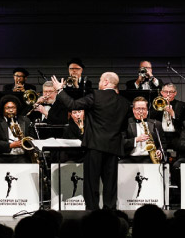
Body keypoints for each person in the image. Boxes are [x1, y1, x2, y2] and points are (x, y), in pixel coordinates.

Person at [51, 72, 130, 210]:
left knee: (91, 183)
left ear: (105, 82)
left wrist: (60, 90)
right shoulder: (124, 103)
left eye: (100, 80)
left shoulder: (96, 96)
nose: (98, 83)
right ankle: (109, 213)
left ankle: (93, 214)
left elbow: (73, 104)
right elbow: (123, 127)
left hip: (94, 147)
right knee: (110, 185)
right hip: (113, 148)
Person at [0, 95, 36, 164]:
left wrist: (25, 143)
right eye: (8, 108)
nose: (11, 110)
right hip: (0, 156)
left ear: (17, 108)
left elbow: (32, 138)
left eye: (13, 107)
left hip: (21, 156)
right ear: (2, 109)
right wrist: (11, 145)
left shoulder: (25, 120)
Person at [149, 83, 185, 156]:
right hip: (161, 135)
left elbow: (183, 123)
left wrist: (172, 113)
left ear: (175, 93)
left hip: (176, 135)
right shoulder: (156, 103)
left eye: (171, 92)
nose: (168, 94)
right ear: (161, 92)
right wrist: (160, 107)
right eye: (166, 92)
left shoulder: (181, 105)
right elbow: (151, 117)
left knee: (182, 149)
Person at [122, 97, 163, 164]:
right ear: (133, 110)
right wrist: (136, 140)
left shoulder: (156, 124)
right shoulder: (125, 123)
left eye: (143, 109)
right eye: (138, 109)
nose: (141, 111)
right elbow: (120, 142)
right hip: (130, 158)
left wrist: (159, 150)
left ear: (147, 110)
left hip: (149, 158)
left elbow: (162, 143)